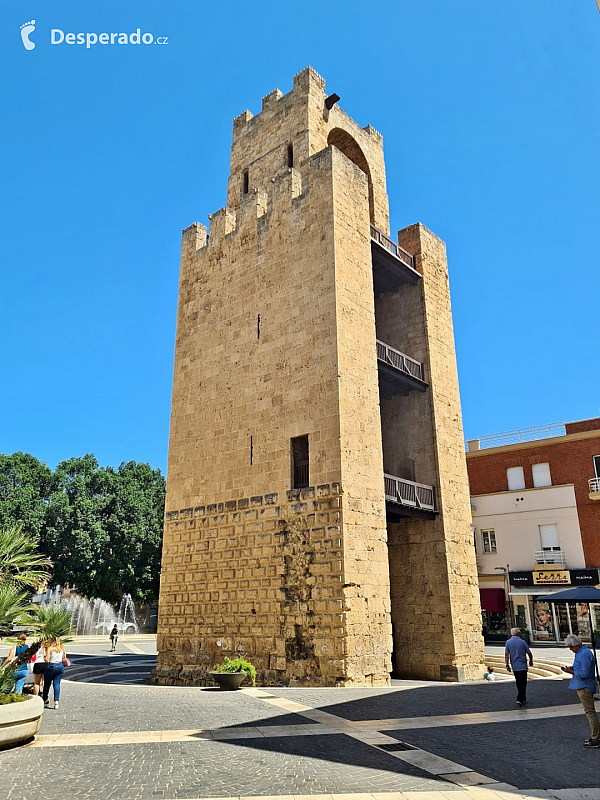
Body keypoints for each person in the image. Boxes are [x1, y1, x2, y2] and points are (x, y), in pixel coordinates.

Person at [561, 633, 600, 748]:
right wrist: (573, 668)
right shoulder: (581, 653)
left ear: (576, 645)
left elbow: (584, 673)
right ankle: (596, 736)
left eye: (571, 647)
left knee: (590, 712)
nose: (570, 649)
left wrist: (571, 672)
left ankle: (596, 737)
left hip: (584, 686)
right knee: (589, 712)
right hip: (582, 685)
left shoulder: (583, 654)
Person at [505, 627, 533, 706]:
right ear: (517, 633)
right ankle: (521, 698)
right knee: (523, 682)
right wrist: (531, 661)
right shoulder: (522, 642)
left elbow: (506, 654)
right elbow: (529, 653)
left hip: (514, 666)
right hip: (522, 665)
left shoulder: (508, 642)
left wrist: (507, 664)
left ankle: (522, 698)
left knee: (518, 682)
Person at [43, 637, 67, 710]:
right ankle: (56, 702)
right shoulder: (61, 648)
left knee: (47, 684)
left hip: (51, 666)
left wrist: (44, 657)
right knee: (57, 684)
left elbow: (47, 659)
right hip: (60, 666)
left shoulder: (50, 648)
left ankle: (45, 698)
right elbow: (64, 657)